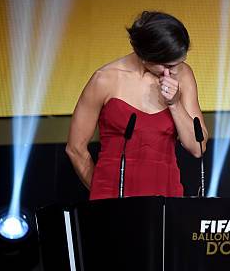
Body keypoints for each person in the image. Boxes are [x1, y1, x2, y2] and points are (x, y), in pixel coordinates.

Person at [66, 11, 207, 200]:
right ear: (144, 56)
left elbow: (198, 147)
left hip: (165, 196)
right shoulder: (105, 79)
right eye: (167, 65)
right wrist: (102, 191)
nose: (173, 71)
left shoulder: (183, 75)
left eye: (178, 63)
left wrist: (174, 104)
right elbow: (75, 148)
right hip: (112, 201)